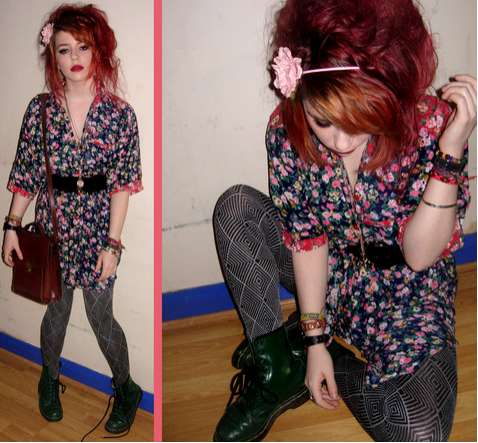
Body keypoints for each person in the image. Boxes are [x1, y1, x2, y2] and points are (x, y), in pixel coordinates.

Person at [212, 0, 476, 441]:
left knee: (420, 432)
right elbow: (308, 238)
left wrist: (450, 153)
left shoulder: (431, 124)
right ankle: (277, 372)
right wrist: (315, 335)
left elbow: (420, 256)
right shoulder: (288, 130)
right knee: (235, 208)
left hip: (408, 290)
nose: (339, 140)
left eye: (357, 119)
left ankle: (309, 358)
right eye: (323, 120)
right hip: (330, 273)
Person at [2, 4, 143, 434]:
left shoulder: (120, 114)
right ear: (54, 56)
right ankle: (49, 377)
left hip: (99, 235)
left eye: (83, 47)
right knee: (56, 314)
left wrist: (113, 245)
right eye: (64, 49)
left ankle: (127, 388)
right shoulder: (40, 111)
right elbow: (27, 174)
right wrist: (11, 226)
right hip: (54, 233)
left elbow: (122, 185)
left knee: (102, 320)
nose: (75, 57)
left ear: (99, 50)